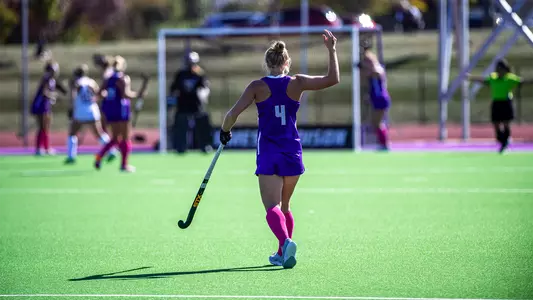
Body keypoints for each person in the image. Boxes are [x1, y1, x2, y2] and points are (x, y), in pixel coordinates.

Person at [219, 30, 340, 269]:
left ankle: (285, 243)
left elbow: (232, 114)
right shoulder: (298, 83)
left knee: (271, 207)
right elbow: (332, 79)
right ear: (287, 63)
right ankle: (282, 252)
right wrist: (332, 50)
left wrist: (225, 131)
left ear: (267, 63)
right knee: (285, 206)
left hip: (269, 152)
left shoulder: (257, 86)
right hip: (292, 151)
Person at [95, 56, 149, 172]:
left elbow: (100, 93)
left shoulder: (108, 78)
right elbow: (125, 95)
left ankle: (99, 156)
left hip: (110, 110)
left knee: (115, 138)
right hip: (121, 109)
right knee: (125, 138)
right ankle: (124, 165)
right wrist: (138, 94)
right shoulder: (123, 78)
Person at [468, 59, 530, 153]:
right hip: (496, 102)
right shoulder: (493, 78)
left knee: (506, 123)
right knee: (496, 123)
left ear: (505, 70)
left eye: (501, 69)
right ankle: (501, 140)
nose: (499, 71)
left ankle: (506, 140)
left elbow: (522, 82)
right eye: (497, 69)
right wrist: (471, 77)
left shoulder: (510, 78)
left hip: (506, 102)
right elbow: (484, 80)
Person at [64, 64, 116, 164]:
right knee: (99, 133)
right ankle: (112, 151)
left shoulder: (76, 83)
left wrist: (71, 108)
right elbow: (101, 93)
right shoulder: (91, 82)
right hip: (92, 110)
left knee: (72, 133)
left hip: (80, 111)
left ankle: (71, 156)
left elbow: (72, 97)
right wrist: (95, 100)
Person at [168, 51, 213, 154]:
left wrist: (204, 94)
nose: (190, 65)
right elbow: (173, 89)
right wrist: (171, 99)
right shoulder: (181, 74)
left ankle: (204, 145)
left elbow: (205, 87)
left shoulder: (200, 74)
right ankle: (180, 147)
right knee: (181, 126)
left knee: (202, 126)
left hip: (197, 105)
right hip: (183, 104)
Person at [359, 41, 391, 151]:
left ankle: (385, 144)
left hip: (381, 98)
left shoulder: (377, 71)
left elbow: (376, 71)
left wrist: (365, 68)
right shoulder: (371, 75)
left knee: (377, 123)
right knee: (375, 123)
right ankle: (383, 143)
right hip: (376, 98)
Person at [31, 60, 67, 156]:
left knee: (45, 127)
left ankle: (43, 148)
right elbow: (44, 92)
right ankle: (42, 148)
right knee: (43, 127)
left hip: (46, 105)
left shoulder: (52, 80)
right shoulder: (46, 78)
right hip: (41, 106)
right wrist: (54, 96)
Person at [93, 54, 119, 157]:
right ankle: (110, 149)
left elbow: (105, 90)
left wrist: (98, 96)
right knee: (106, 128)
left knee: (105, 127)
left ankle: (110, 150)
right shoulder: (110, 71)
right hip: (110, 102)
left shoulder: (107, 73)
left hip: (108, 103)